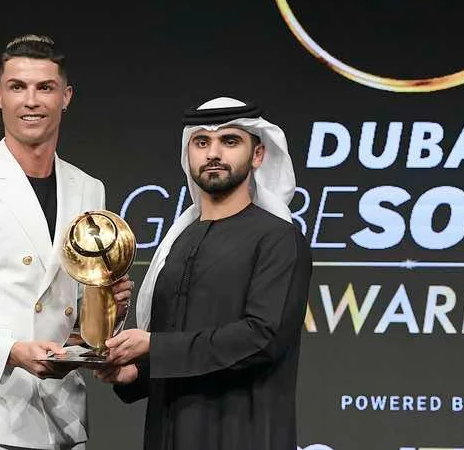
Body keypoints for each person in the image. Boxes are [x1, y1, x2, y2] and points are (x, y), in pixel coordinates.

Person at [0, 34, 132, 449]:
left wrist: (109, 310)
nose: (31, 101)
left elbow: (75, 318)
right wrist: (12, 351)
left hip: (63, 417)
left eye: (45, 87)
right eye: (18, 87)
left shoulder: (88, 188)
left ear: (66, 97)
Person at [97, 96, 313, 450]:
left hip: (243, 435)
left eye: (229, 141)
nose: (213, 153)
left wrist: (153, 347)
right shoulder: (178, 242)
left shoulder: (279, 239)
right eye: (201, 142)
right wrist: (133, 373)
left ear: (258, 154)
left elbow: (263, 338)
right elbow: (176, 342)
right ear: (188, 154)